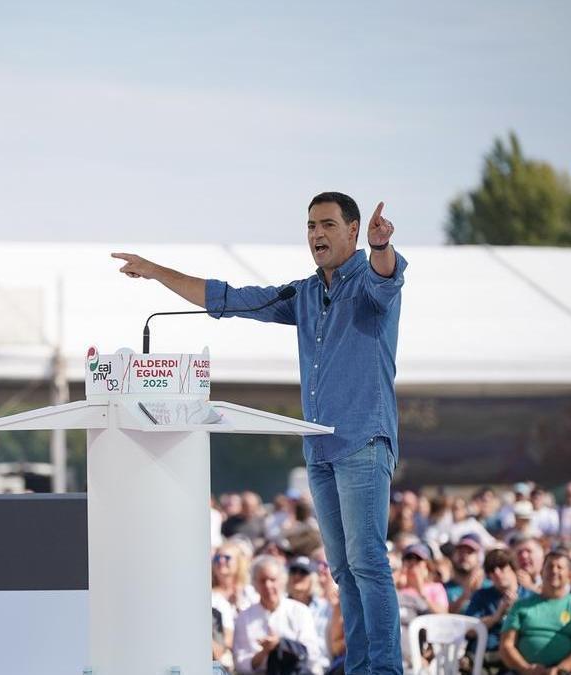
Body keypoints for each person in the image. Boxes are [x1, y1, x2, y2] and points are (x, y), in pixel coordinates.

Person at [114, 191, 405, 673]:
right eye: (311, 225)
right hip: (319, 448)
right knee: (345, 572)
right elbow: (228, 299)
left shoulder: (371, 282)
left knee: (369, 563)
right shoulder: (303, 293)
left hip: (362, 443)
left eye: (329, 225)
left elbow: (388, 278)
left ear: (353, 231)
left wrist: (380, 248)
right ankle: (360, 668)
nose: (317, 234)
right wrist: (156, 271)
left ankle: (385, 670)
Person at [499, 550, 571, 675]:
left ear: (570, 575)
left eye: (560, 567)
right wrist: (526, 669)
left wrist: (559, 670)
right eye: (550, 566)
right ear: (541, 572)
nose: (554, 571)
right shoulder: (520, 605)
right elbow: (506, 645)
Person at [232, 556, 328, 675]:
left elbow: (312, 654)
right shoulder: (245, 617)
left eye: (272, 580)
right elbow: (241, 664)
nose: (268, 585)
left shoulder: (300, 611)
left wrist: (282, 644)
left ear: (282, 580)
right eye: (263, 580)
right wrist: (264, 652)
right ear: (255, 584)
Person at [464, 549, 537, 658]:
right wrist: (496, 616)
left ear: (514, 569)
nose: (497, 573)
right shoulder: (481, 595)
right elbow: (469, 631)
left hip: (520, 656)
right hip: (484, 656)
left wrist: (517, 611)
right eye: (492, 570)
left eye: (502, 567)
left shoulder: (530, 596)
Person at [444, 534, 486, 613]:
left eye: (469, 552)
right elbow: (445, 616)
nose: (464, 555)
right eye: (460, 551)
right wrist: (465, 595)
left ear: (479, 558)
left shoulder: (489, 586)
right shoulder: (443, 588)